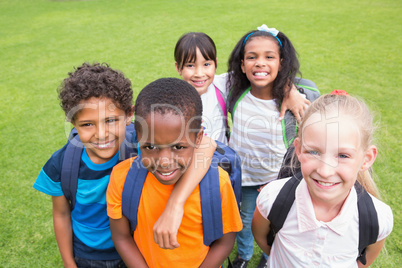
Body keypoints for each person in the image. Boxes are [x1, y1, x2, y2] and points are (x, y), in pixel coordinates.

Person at [33, 63, 216, 267]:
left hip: (136, 247)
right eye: (87, 124)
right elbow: (61, 214)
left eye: (110, 120)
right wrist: (69, 263)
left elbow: (207, 145)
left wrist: (175, 204)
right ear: (73, 123)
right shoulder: (62, 164)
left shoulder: (144, 145)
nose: (101, 134)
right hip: (88, 254)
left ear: (130, 115)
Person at [106, 78, 242, 268]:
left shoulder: (217, 182)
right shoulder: (122, 177)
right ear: (138, 137)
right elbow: (121, 237)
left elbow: (226, 241)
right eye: (150, 146)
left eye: (178, 146)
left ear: (199, 137)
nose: (164, 161)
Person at [252, 92, 393, 267]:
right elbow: (262, 238)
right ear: (299, 150)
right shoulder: (273, 197)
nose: (325, 171)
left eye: (343, 155)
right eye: (314, 152)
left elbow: (363, 261)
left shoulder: (377, 218)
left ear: (366, 159)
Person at [227, 24, 320, 267]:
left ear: (281, 63)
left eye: (269, 57)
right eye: (251, 57)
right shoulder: (234, 92)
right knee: (246, 219)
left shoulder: (295, 100)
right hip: (245, 178)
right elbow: (201, 75)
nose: (259, 63)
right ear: (241, 64)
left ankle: (270, 256)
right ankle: (244, 255)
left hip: (278, 179)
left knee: (275, 220)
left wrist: (289, 88)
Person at [174, 32, 311, 145]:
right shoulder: (172, 99)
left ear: (215, 64)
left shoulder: (221, 85)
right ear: (178, 68)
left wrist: (290, 91)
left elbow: (261, 75)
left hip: (221, 167)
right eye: (190, 66)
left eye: (206, 64)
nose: (199, 73)